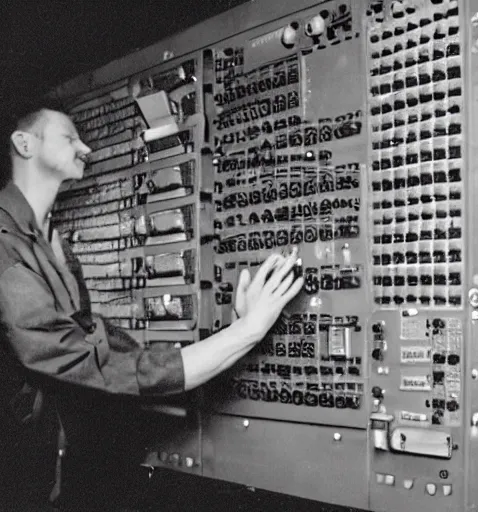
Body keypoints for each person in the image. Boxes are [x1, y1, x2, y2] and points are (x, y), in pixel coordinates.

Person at [0, 103, 304, 511]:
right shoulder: (5, 243)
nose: (86, 147)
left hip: (66, 468)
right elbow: (72, 357)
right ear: (23, 143)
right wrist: (246, 332)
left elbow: (103, 347)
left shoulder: (52, 241)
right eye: (70, 138)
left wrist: (232, 334)